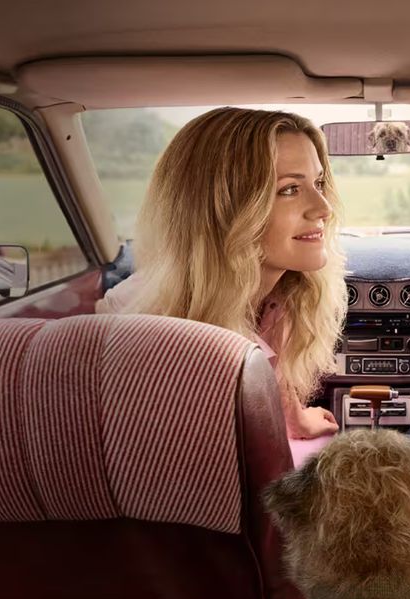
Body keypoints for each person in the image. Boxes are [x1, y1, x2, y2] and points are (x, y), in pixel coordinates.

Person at [97, 107, 347, 459]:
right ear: (223, 210)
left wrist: (296, 419)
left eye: (318, 183)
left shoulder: (281, 292)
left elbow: (270, 370)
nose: (323, 207)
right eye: (289, 189)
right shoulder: (141, 329)